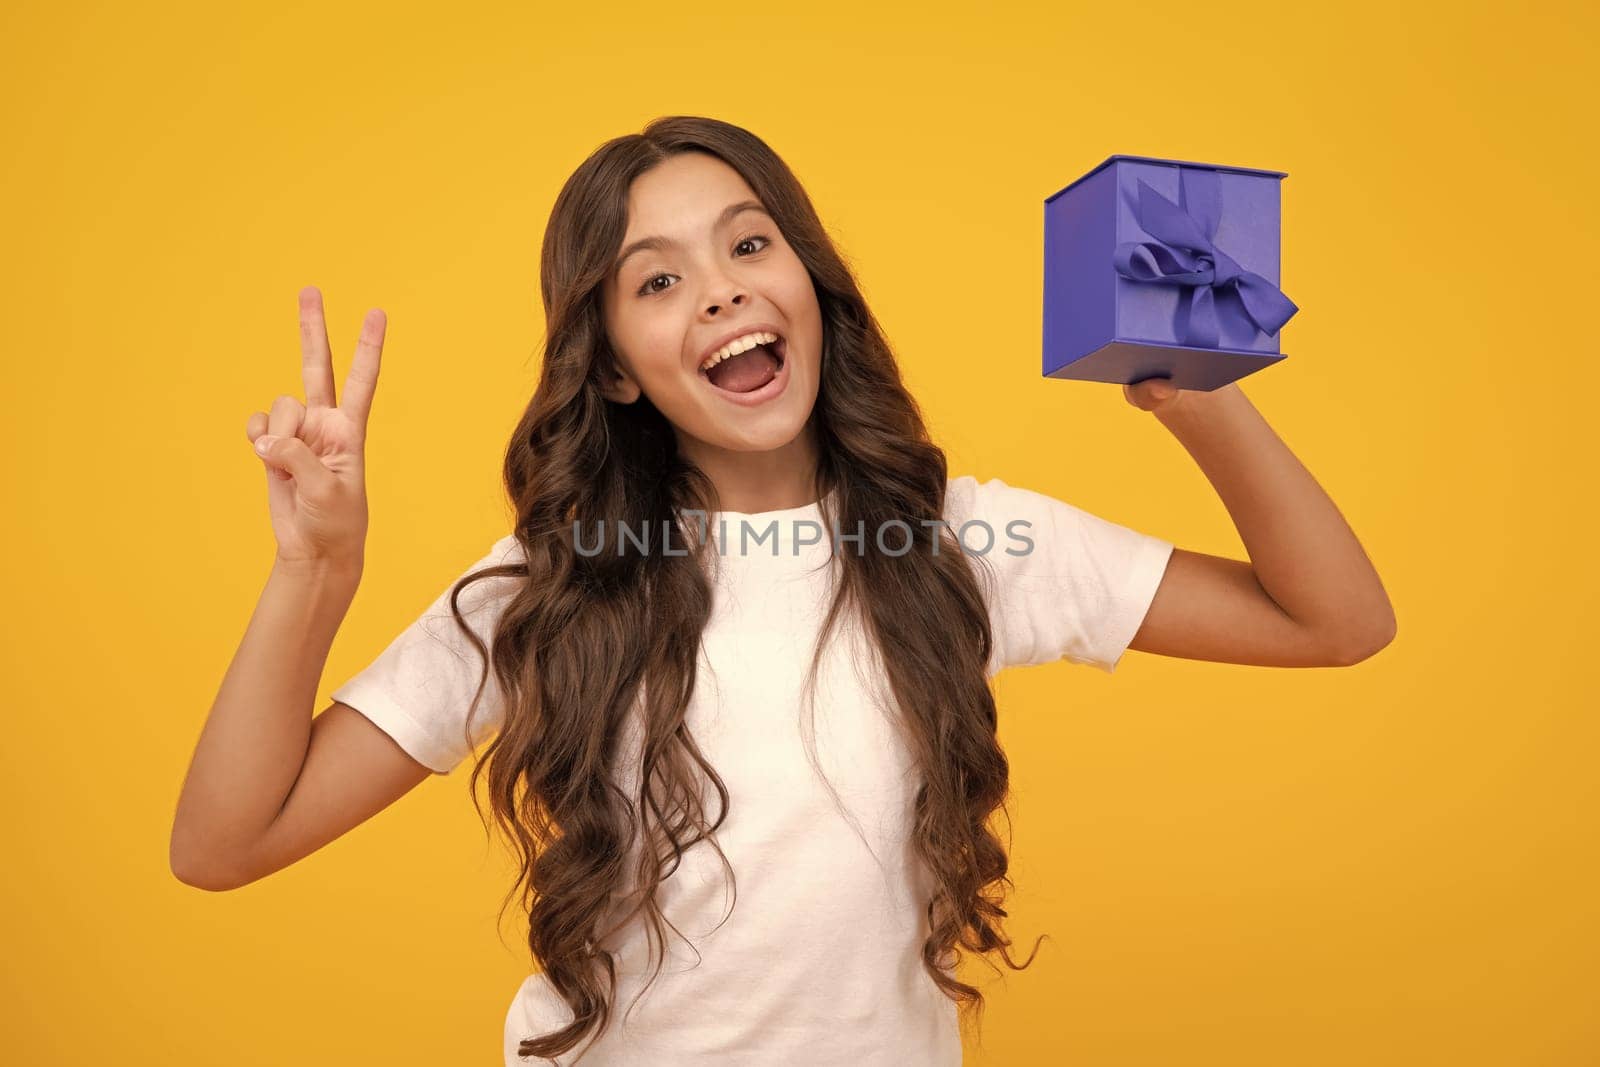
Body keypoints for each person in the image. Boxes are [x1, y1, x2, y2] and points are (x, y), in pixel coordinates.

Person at [169, 116, 1396, 1066]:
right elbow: (222, 846)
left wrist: (1192, 384)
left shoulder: (963, 539)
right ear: (616, 370)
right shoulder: (548, 586)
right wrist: (314, 572)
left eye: (750, 244)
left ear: (811, 286)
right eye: (656, 282)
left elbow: (1335, 620)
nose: (719, 289)